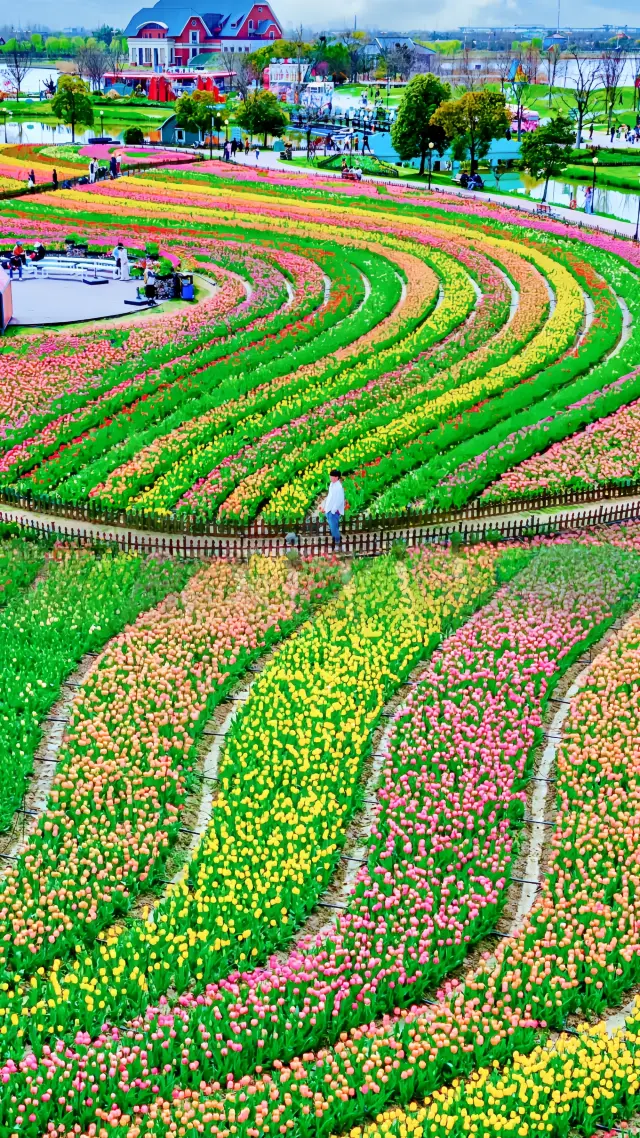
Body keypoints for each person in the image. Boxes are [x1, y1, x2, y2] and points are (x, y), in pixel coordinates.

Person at [323, 469, 345, 551]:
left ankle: (338, 544)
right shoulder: (332, 484)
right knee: (332, 528)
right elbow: (330, 497)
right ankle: (334, 543)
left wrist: (333, 510)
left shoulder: (339, 487)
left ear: (336, 477)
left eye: (332, 476)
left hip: (334, 511)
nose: (330, 477)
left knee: (334, 528)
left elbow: (339, 500)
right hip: (329, 510)